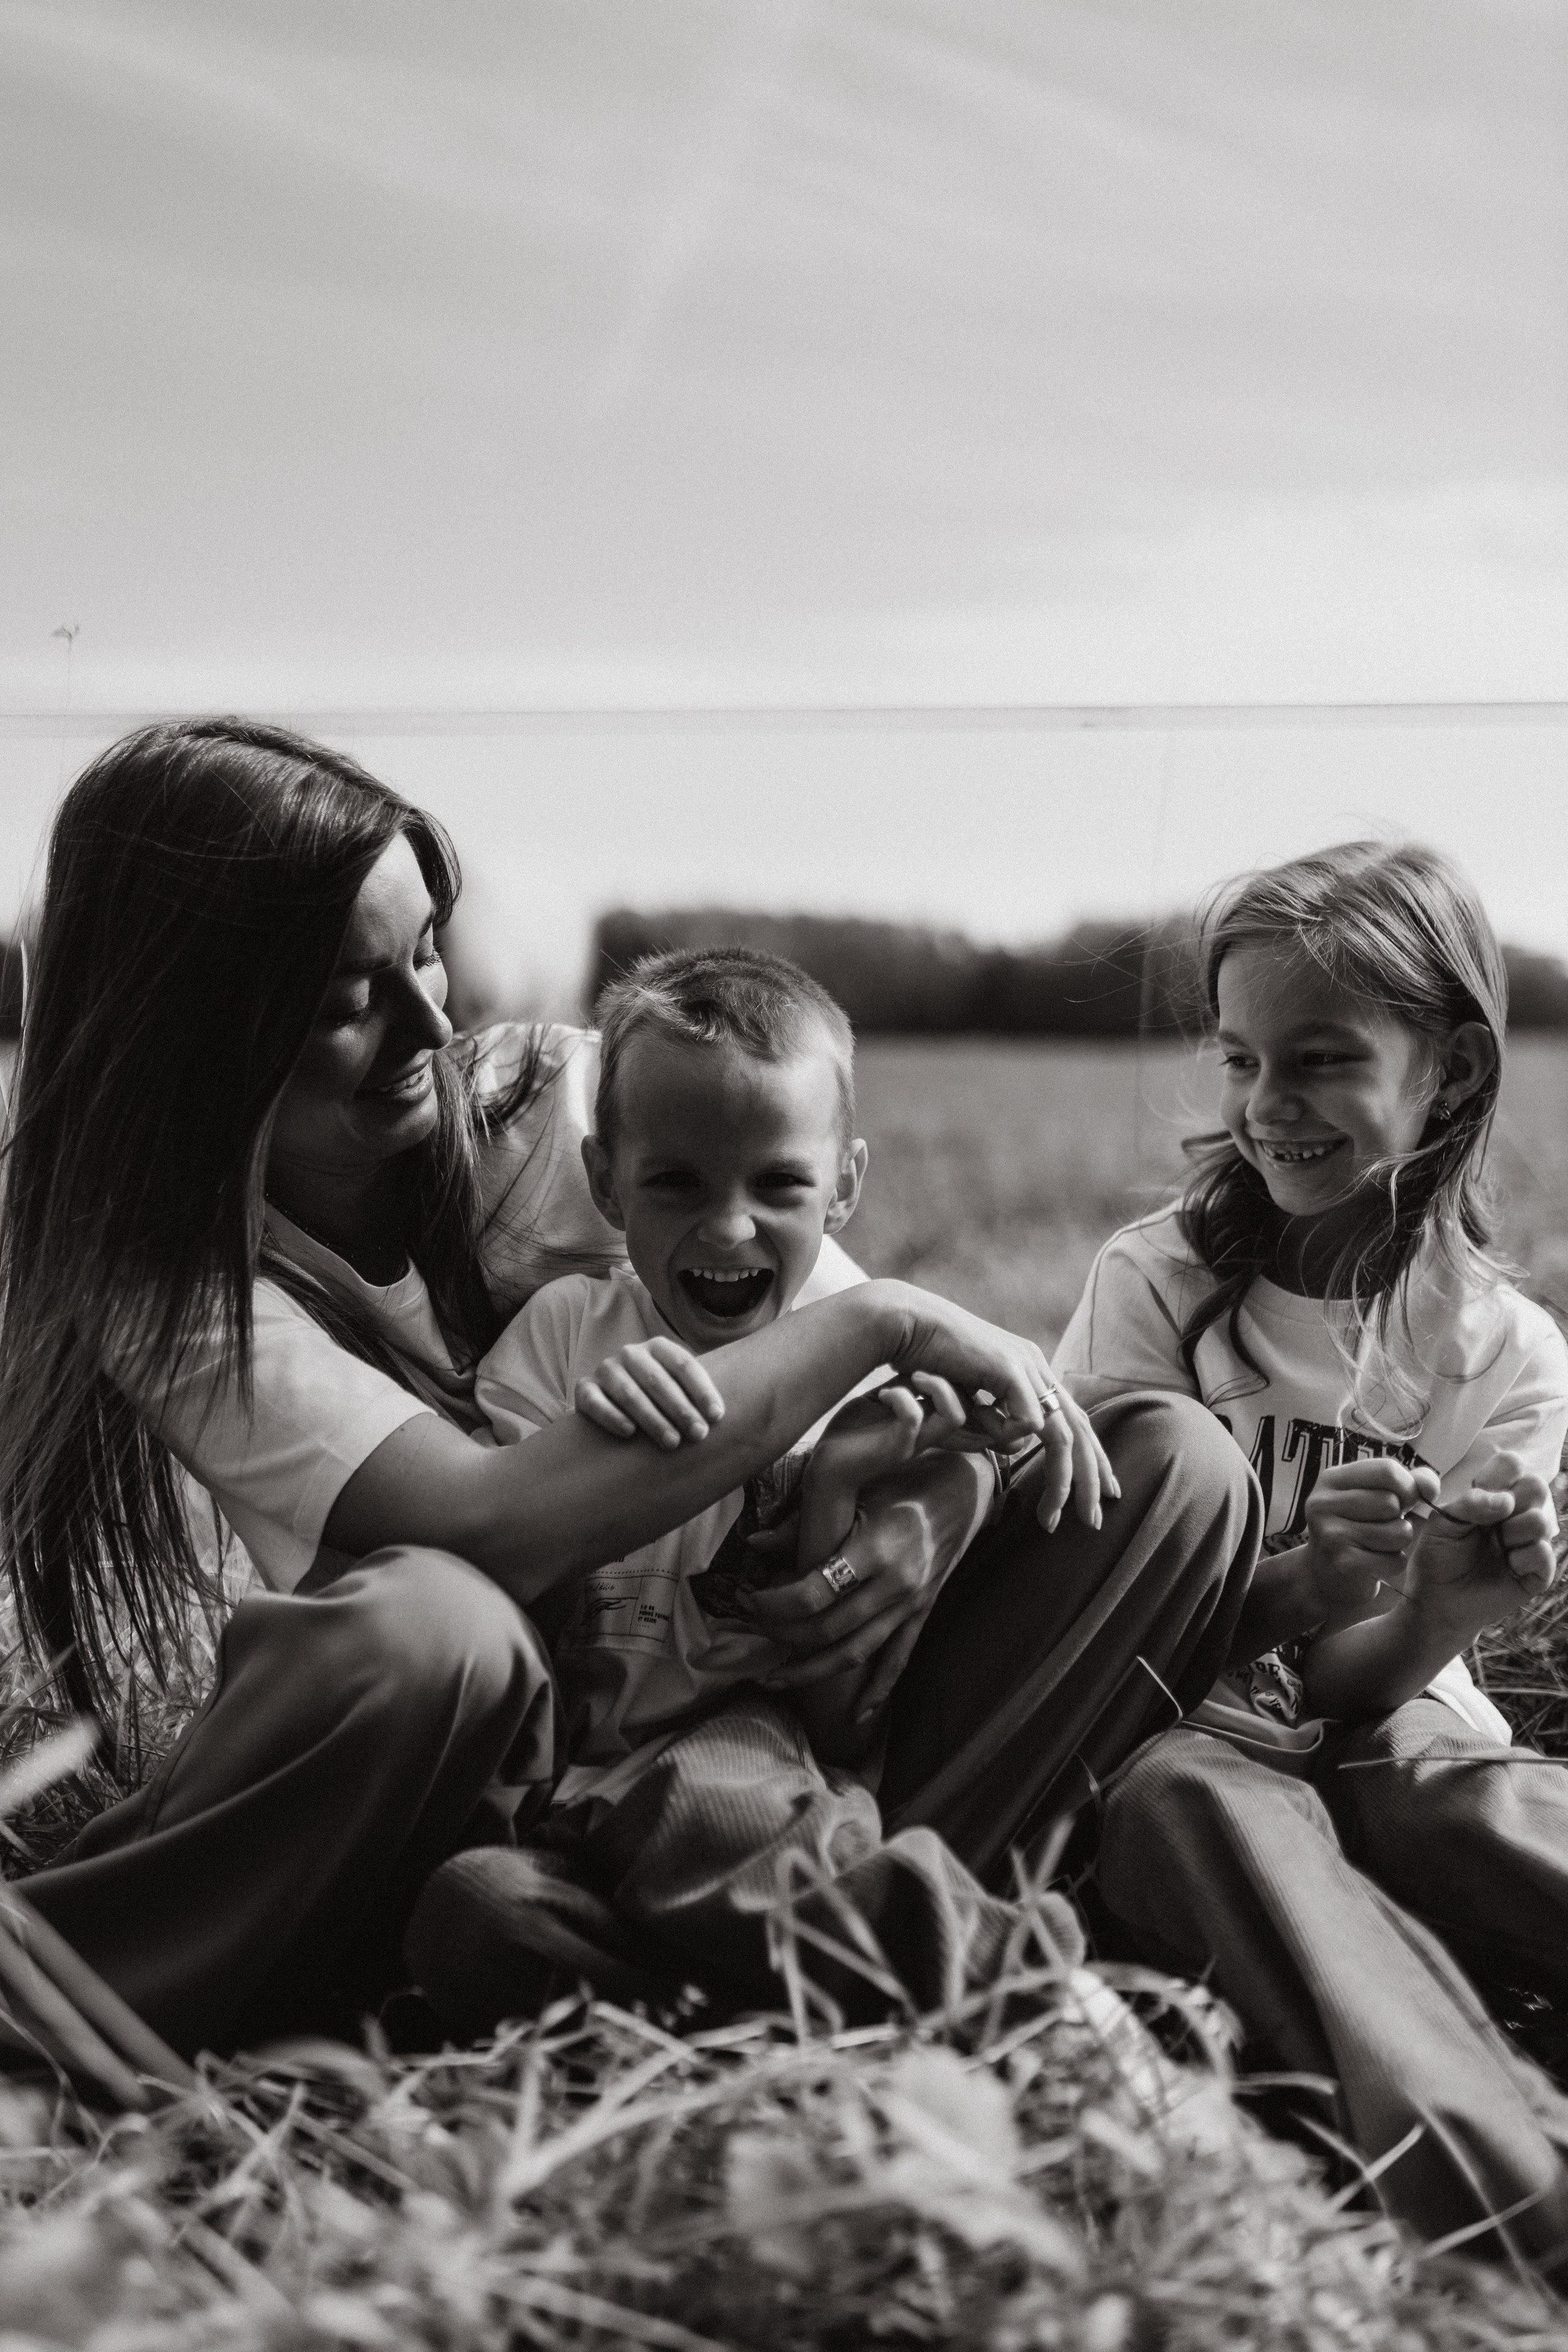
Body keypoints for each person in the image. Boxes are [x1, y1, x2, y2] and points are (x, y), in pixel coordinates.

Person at [0, 718, 1257, 2064]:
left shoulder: (563, 1101)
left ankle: (729, 1951)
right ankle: (74, 1996)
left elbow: (840, 1361)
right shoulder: (161, 1276)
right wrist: (890, 1319)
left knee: (1167, 1464)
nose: (434, 1018)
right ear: (196, 1030)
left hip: (771, 1714)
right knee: (434, 1628)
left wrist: (935, 1494)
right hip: (490, 1767)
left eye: (428, 948)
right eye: (345, 999)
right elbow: (487, 1523)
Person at [1055, 840, 1568, 2256]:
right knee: (1182, 1802)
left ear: (1449, 1072)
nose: (1265, 1108)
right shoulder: (1149, 1289)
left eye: (1320, 1060)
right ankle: (1508, 2189)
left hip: (1387, 1723)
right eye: (1238, 1061)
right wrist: (1291, 1585)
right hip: (1183, 1732)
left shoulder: (1507, 1358)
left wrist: (1428, 1617)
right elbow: (1086, 1642)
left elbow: (1358, 1699)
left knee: (1436, 1790)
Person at [463, 945, 1058, 2017]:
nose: (729, 1227)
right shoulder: (561, 1339)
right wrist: (593, 1457)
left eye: (779, 1183)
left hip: (741, 1764)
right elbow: (508, 1603)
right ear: (605, 1181)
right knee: (475, 1913)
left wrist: (838, 1494)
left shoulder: (871, 1375)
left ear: (845, 1186)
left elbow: (841, 1717)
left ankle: (1026, 1996)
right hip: (564, 1799)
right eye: (675, 1181)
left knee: (705, 1805)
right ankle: (762, 2014)